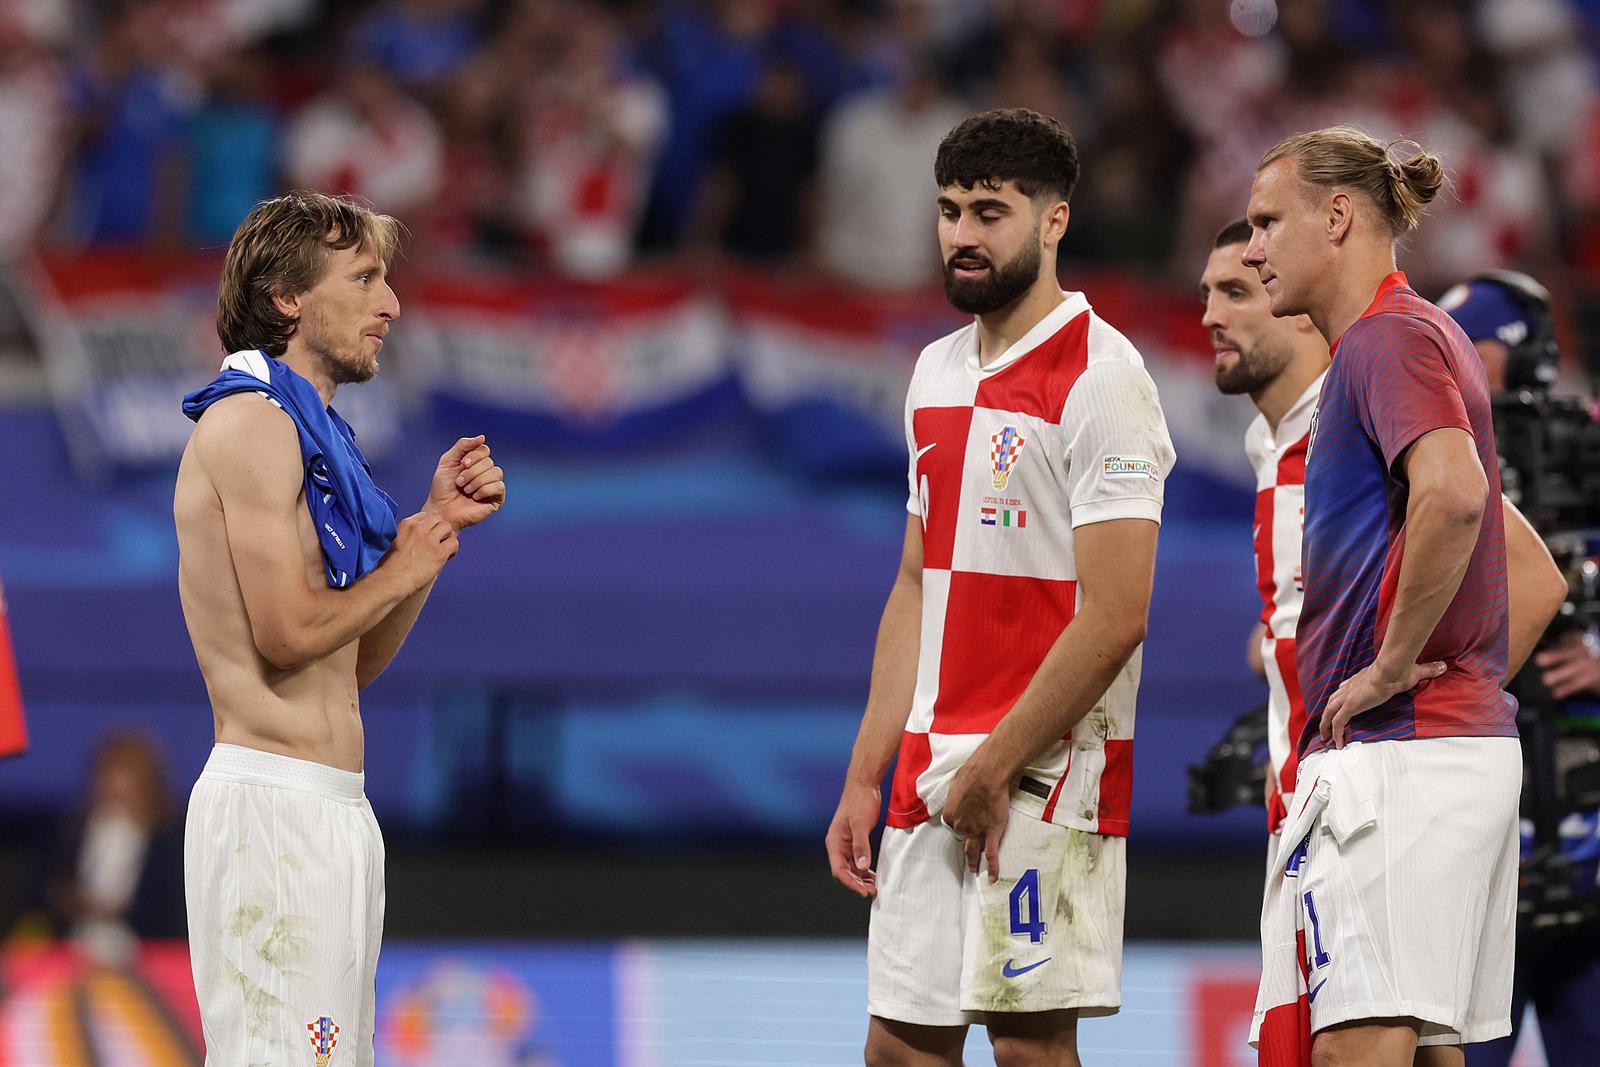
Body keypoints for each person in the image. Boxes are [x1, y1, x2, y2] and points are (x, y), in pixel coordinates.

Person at [825, 107, 1176, 1066]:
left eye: (990, 211)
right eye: (948, 211)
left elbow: (1118, 614)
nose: (962, 236)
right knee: (899, 1046)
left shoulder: (1104, 378)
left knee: (1028, 1049)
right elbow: (914, 581)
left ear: (1054, 220)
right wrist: (866, 772)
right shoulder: (933, 369)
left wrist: (997, 762)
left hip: (1044, 772)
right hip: (932, 761)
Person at [1202, 219, 1565, 1064]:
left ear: (1298, 309)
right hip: (1320, 796)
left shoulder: (1361, 411)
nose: (1214, 312)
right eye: (1210, 291)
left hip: (1375, 787)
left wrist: (1416, 698)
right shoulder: (1276, 444)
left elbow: (1531, 575)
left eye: (1240, 289)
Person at [173, 191, 506, 1067]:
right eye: (363, 278)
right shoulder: (250, 423)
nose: (391, 304)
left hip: (331, 811)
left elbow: (348, 662)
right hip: (272, 810)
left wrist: (429, 539)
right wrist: (404, 559)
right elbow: (285, 633)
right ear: (287, 296)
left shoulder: (319, 438)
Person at [1440, 272, 1600, 1067]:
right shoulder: (1429, 461)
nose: (1451, 363)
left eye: (1471, 348)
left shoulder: (1584, 449)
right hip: (1479, 832)